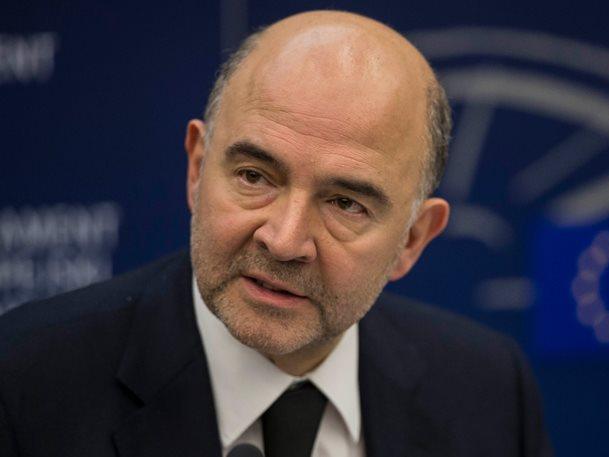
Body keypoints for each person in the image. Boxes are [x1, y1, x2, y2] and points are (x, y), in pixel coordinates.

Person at [0, 10, 552, 457]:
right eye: (254, 177)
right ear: (197, 169)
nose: (284, 241)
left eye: (345, 204)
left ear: (413, 239)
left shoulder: (488, 391)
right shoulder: (25, 384)